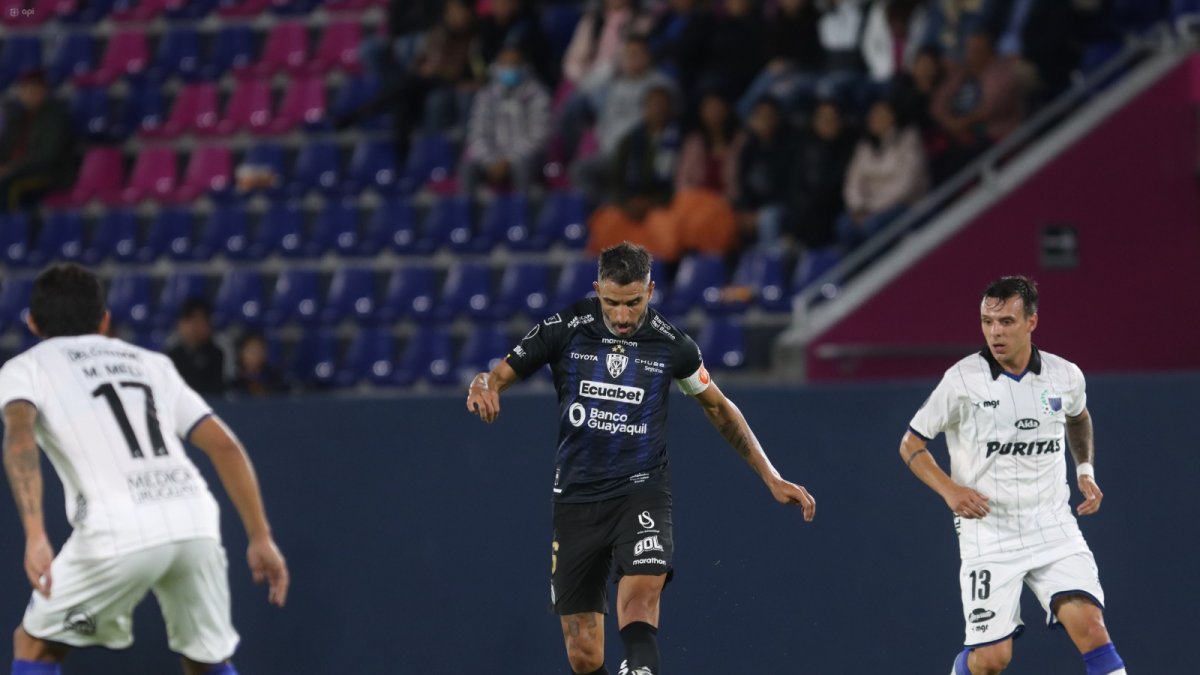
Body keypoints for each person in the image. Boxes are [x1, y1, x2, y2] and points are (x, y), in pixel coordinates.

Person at [465, 242, 816, 675]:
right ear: (597, 290)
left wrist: (771, 476)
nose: (623, 316)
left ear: (650, 291)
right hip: (576, 498)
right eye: (612, 302)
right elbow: (495, 375)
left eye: (633, 302)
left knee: (640, 596)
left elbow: (720, 408)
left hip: (641, 490)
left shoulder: (673, 345)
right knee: (584, 654)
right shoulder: (565, 327)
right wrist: (482, 385)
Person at [0, 263, 289, 675]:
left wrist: (34, 535)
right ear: (104, 321)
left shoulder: (24, 368)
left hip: (118, 526)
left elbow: (19, 438)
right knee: (207, 660)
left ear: (31, 323)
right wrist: (261, 536)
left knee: (35, 647)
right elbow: (225, 445)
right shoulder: (152, 363)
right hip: (194, 517)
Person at [899, 276, 1128, 675]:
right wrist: (950, 490)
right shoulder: (962, 380)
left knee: (1092, 629)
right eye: (987, 322)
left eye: (1005, 321)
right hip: (989, 533)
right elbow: (911, 444)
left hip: (1052, 526)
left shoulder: (1065, 375)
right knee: (992, 659)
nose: (995, 332)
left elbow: (1078, 417)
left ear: (1031, 322)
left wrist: (1085, 470)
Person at [461, 45, 553, 197]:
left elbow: (539, 135)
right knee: (468, 166)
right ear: (496, 67)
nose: (509, 69)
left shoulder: (538, 95)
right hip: (492, 158)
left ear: (524, 67)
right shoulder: (485, 96)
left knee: (522, 166)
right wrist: (490, 161)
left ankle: (522, 214)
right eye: (505, 64)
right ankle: (467, 216)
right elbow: (477, 133)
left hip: (525, 157)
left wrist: (509, 160)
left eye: (514, 64)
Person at [837, 96, 927, 250]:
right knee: (844, 224)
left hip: (905, 205)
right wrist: (858, 206)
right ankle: (858, 273)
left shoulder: (908, 139)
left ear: (894, 116)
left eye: (882, 115)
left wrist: (873, 208)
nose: (877, 119)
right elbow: (853, 182)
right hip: (869, 208)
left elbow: (907, 184)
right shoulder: (863, 147)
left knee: (872, 225)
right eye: (873, 115)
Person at [0, 70, 77, 213]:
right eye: (24, 88)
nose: (29, 93)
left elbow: (46, 155)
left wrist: (11, 168)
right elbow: (4, 148)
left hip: (48, 173)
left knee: (7, 185)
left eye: (34, 89)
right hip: (16, 170)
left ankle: (7, 230)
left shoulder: (55, 117)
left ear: (44, 91)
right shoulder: (17, 118)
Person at [166, 298, 227, 396]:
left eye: (200, 321)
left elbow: (218, 391)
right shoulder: (171, 356)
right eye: (190, 321)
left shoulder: (217, 355)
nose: (195, 328)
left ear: (209, 325)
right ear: (181, 324)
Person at [230, 332, 285, 397]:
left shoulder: (275, 381)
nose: (256, 354)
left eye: (260, 349)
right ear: (241, 353)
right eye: (251, 350)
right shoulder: (234, 385)